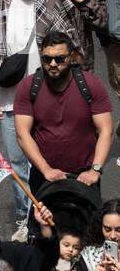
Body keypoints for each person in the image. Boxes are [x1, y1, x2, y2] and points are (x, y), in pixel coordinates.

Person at [0, 0, 83, 233]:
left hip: (51, 97)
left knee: (52, 159)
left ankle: (57, 217)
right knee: (16, 162)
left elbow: (73, 45)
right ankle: (26, 218)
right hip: (10, 99)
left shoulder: (54, 1)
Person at [13, 28, 113, 198]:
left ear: (71, 57)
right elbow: (22, 134)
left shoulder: (91, 84)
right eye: (47, 58)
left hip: (85, 176)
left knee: (89, 223)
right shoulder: (28, 87)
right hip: (45, 176)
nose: (53, 64)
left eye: (59, 59)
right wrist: (46, 170)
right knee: (43, 223)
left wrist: (95, 170)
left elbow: (106, 131)